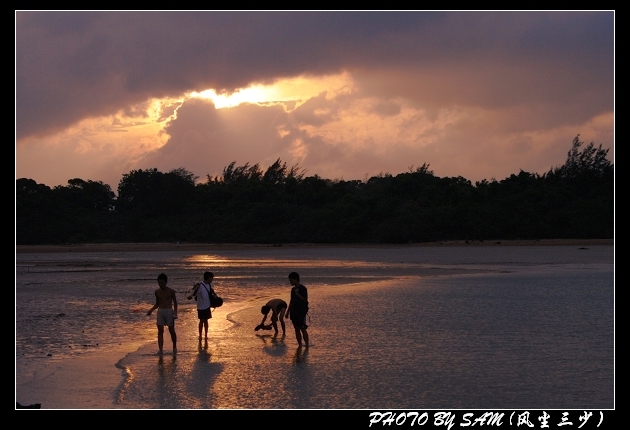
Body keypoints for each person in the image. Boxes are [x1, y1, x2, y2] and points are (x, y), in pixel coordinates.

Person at [147, 273, 178, 354]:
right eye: (159, 283)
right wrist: (151, 310)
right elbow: (157, 303)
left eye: (162, 283)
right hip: (160, 311)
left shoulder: (171, 291)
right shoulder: (157, 292)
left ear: (165, 282)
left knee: (171, 330)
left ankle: (174, 347)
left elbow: (175, 302)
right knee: (160, 331)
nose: (160, 285)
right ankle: (160, 350)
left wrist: (175, 312)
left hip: (169, 311)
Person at [187, 271, 214, 340]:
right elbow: (193, 293)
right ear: (208, 277)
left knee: (206, 321)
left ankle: (205, 335)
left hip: (207, 305)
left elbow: (211, 293)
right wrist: (190, 295)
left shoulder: (209, 285)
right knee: (201, 320)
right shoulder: (199, 285)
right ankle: (200, 335)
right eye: (211, 278)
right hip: (201, 306)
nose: (212, 279)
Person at [286, 272, 309, 347]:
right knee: (296, 329)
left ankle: (307, 345)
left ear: (296, 279)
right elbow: (291, 301)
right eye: (290, 280)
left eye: (291, 280)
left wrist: (298, 294)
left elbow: (305, 300)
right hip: (294, 312)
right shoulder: (292, 289)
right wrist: (287, 312)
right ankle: (300, 345)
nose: (290, 282)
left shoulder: (303, 288)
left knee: (303, 328)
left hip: (301, 312)